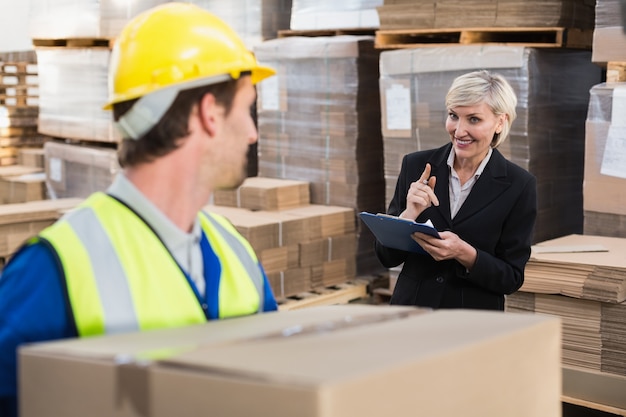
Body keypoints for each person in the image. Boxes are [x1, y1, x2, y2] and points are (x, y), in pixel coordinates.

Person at [0, 4, 278, 416]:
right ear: (208, 113)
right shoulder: (52, 268)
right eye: (246, 108)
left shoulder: (236, 254)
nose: (253, 133)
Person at [375, 70, 537, 311]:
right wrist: (408, 214)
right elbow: (386, 257)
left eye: (473, 119)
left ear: (500, 122)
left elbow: (511, 277)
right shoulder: (416, 165)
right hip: (413, 312)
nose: (459, 131)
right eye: (453, 116)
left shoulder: (519, 185)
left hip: (473, 321)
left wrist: (465, 253)